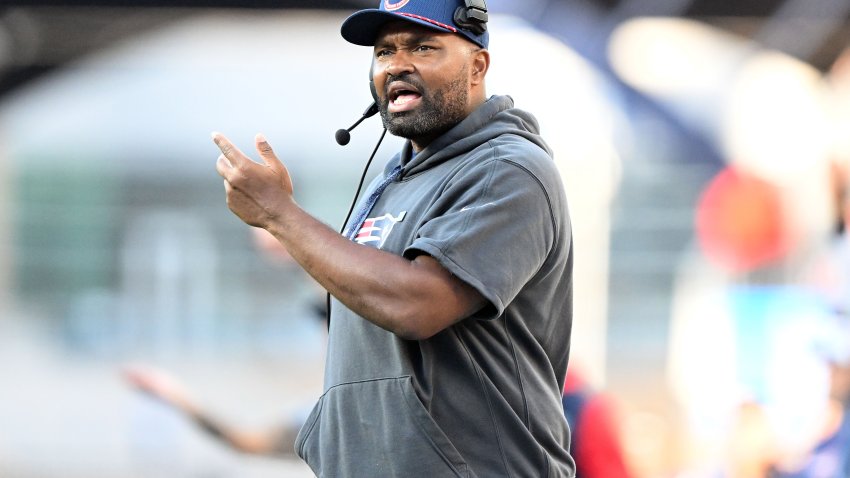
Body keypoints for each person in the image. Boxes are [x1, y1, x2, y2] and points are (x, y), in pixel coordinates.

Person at [212, 0, 576, 476]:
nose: (398, 64)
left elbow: (416, 305)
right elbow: (367, 303)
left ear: (477, 65)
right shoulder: (393, 179)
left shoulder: (506, 170)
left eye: (424, 46)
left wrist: (281, 216)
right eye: (384, 51)